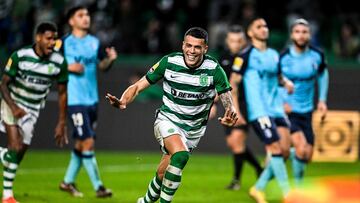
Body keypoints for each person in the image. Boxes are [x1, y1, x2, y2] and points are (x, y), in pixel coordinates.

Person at [106, 27, 238, 203]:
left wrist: (230, 112)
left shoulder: (213, 69)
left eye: (197, 47)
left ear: (205, 48)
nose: (191, 51)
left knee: (162, 175)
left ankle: (144, 201)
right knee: (181, 156)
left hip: (193, 131)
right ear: (183, 45)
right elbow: (138, 86)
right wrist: (123, 100)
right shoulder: (169, 62)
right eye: (188, 46)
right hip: (168, 120)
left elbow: (227, 96)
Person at [0, 22, 68, 203]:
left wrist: (62, 122)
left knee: (20, 151)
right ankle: (7, 196)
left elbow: (62, 93)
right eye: (49, 38)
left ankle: (2, 155)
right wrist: (14, 107)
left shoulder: (59, 62)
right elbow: (3, 84)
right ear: (38, 38)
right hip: (12, 103)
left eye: (55, 38)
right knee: (14, 146)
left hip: (33, 109)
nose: (53, 42)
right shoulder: (20, 57)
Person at [229, 17, 293, 203]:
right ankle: (287, 193)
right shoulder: (245, 55)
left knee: (285, 150)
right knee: (274, 147)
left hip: (276, 109)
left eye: (265, 25)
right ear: (250, 33)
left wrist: (287, 83)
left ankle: (258, 188)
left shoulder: (274, 54)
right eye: (259, 26)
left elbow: (279, 77)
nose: (264, 29)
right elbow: (234, 83)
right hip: (259, 110)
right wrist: (236, 110)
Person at [58, 6, 117, 198]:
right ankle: (99, 187)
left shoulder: (94, 42)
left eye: (87, 15)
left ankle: (67, 182)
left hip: (92, 100)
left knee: (81, 144)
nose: (86, 18)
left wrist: (110, 60)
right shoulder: (63, 43)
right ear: (71, 21)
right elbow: (50, 67)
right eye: (80, 15)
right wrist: (67, 67)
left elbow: (102, 66)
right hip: (75, 100)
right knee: (88, 142)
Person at [279, 18, 329, 185]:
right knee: (301, 148)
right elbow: (275, 81)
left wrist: (322, 100)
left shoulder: (317, 55)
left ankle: (279, 155)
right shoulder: (283, 57)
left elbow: (323, 75)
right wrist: (282, 101)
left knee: (307, 155)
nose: (301, 35)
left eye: (304, 32)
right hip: (288, 110)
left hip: (306, 110)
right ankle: (298, 190)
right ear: (292, 35)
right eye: (297, 32)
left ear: (309, 35)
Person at [216, 25, 263, 190]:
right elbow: (221, 83)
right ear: (227, 41)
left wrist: (238, 110)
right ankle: (259, 168)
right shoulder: (224, 57)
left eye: (238, 40)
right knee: (233, 144)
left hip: (244, 104)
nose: (235, 44)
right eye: (232, 40)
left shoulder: (248, 57)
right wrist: (213, 103)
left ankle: (236, 180)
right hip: (228, 103)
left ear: (243, 41)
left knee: (237, 143)